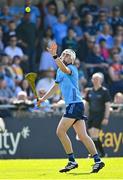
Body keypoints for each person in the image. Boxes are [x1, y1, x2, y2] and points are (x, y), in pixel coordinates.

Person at [37, 42, 105, 173]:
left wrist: (55, 56)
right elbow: (55, 87)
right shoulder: (59, 70)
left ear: (72, 60)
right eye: (64, 54)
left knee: (60, 132)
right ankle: (98, 161)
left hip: (75, 104)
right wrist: (43, 99)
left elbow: (64, 69)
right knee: (83, 135)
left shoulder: (71, 68)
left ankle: (72, 161)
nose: (65, 56)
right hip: (75, 105)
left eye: (68, 55)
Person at [85, 72, 111, 157]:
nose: (95, 81)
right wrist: (85, 115)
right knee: (93, 136)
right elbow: (87, 104)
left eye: (97, 79)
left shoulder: (104, 91)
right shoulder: (89, 91)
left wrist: (106, 117)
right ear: (92, 80)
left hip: (99, 115)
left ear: (101, 80)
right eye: (94, 79)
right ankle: (102, 153)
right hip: (91, 115)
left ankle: (93, 154)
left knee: (94, 135)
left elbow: (107, 105)